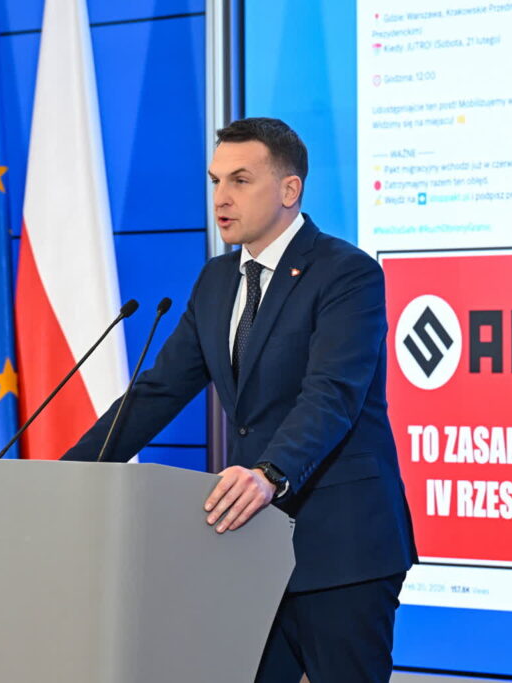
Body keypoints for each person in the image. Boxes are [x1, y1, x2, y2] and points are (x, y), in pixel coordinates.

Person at [61, 117, 417, 682]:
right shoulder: (217, 281)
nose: (221, 198)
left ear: (289, 189)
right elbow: (158, 391)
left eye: (240, 180)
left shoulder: (347, 273)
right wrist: (67, 475)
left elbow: (331, 395)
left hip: (342, 545)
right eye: (215, 181)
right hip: (251, 549)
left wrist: (270, 473)